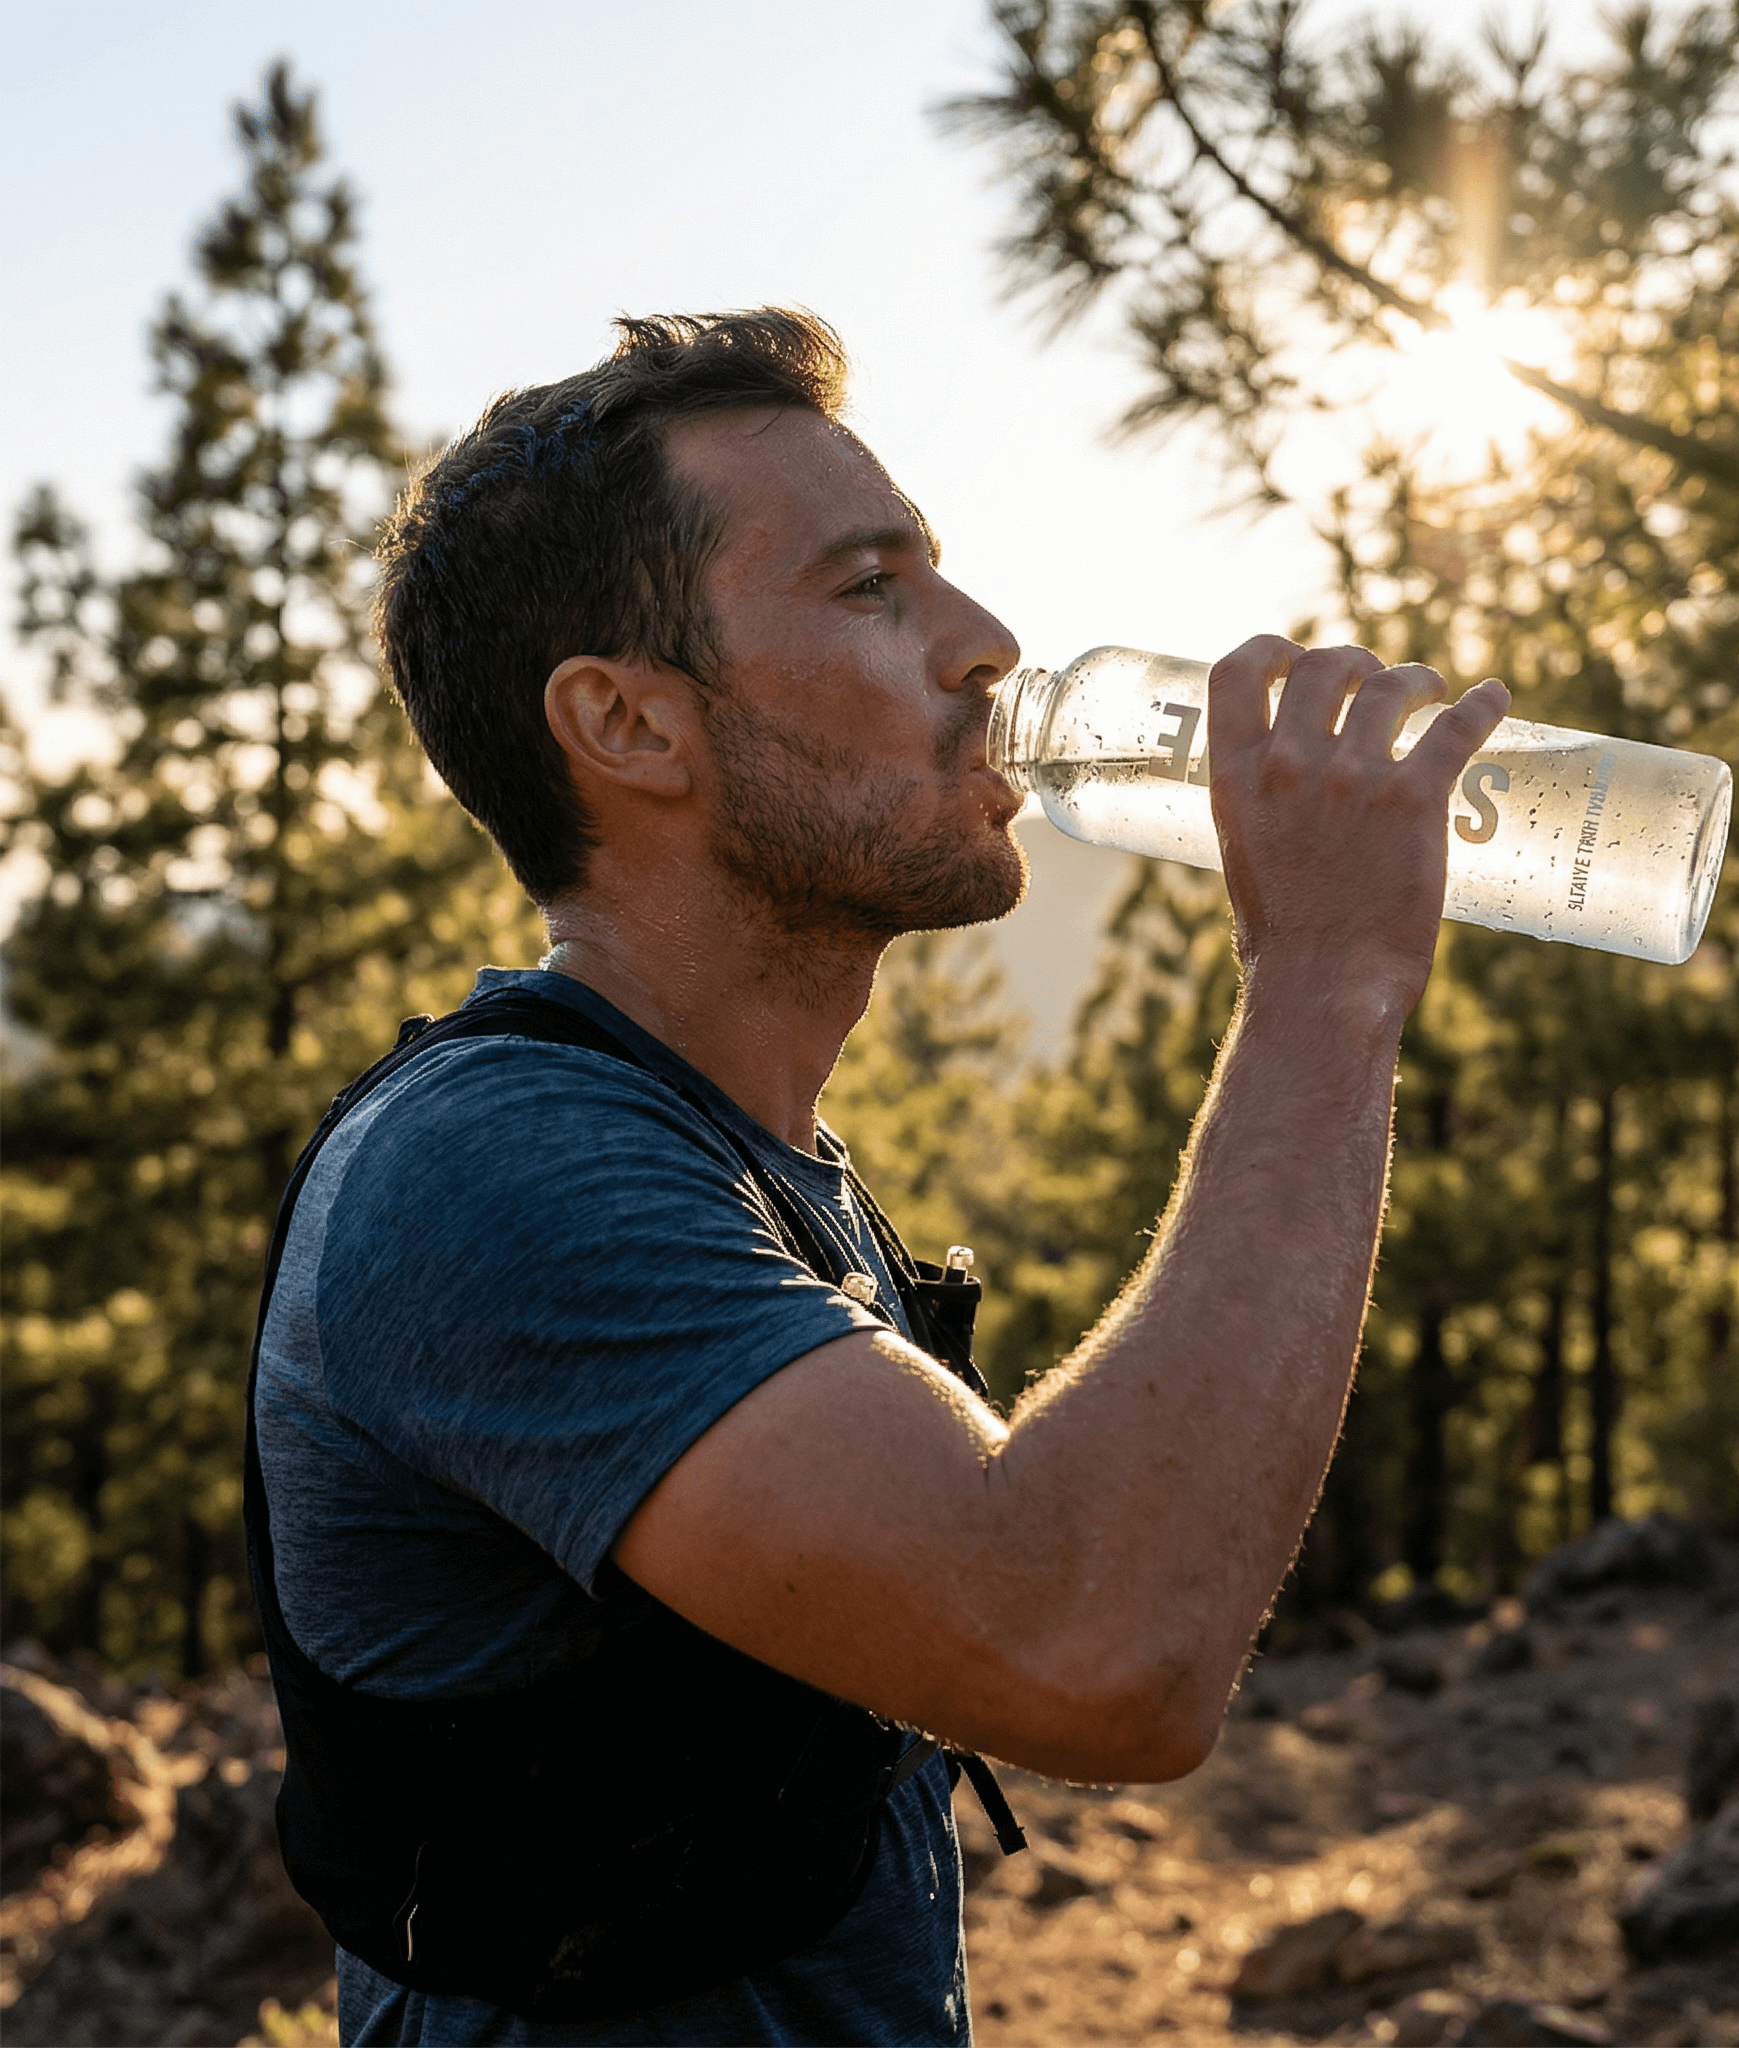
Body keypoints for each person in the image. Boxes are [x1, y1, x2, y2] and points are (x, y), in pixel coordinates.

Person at [247, 308, 1508, 2047]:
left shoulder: (755, 1161)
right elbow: (1099, 1648)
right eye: (870, 588)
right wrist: (1328, 980)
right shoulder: (492, 1175)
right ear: (630, 724)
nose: (987, 643)